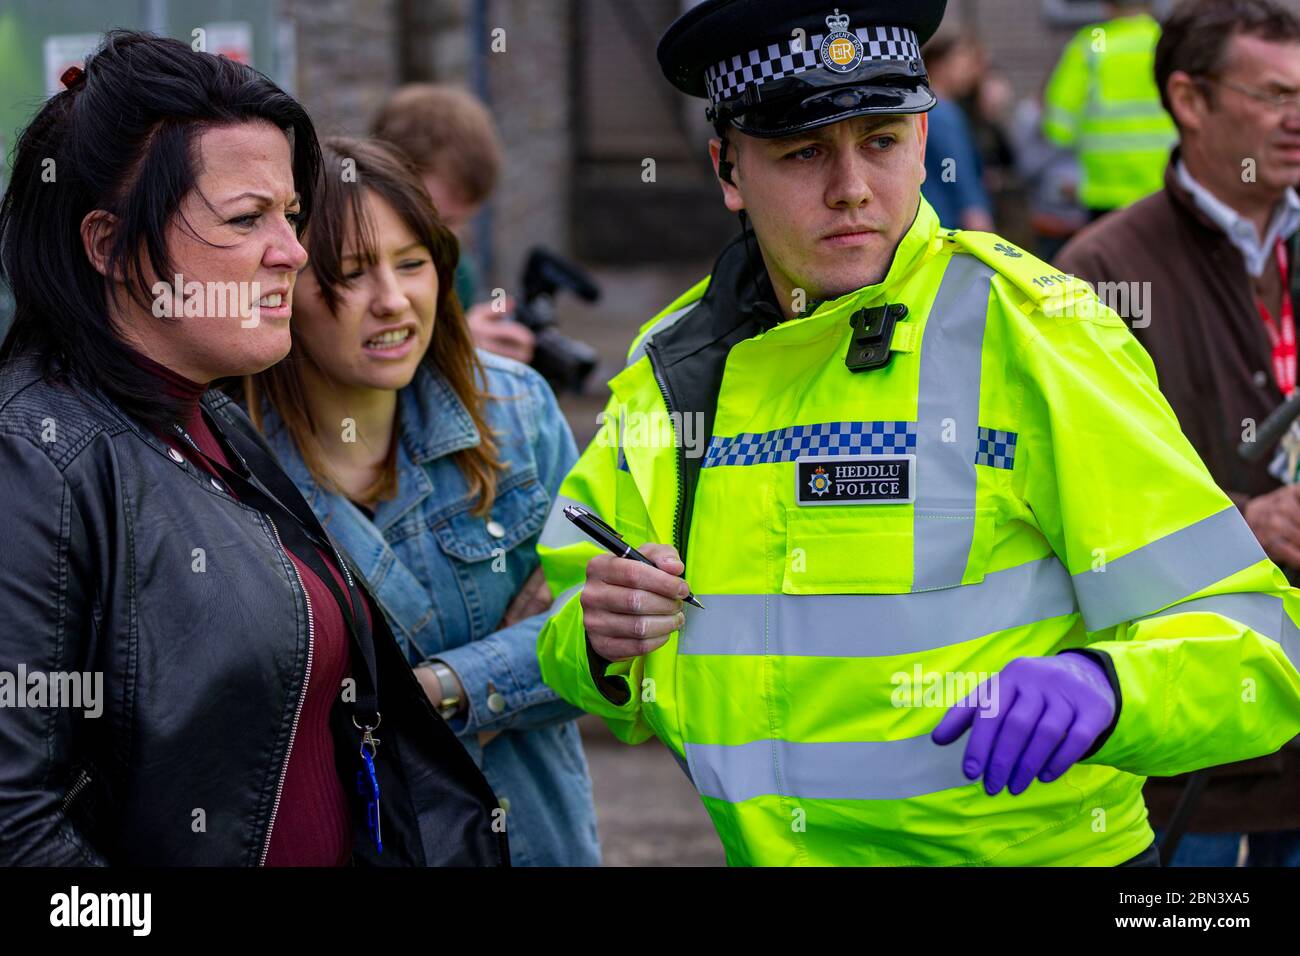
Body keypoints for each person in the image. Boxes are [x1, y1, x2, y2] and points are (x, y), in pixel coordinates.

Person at [533, 0, 1300, 866]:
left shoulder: (1039, 333)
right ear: (728, 167)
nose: (853, 186)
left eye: (884, 141)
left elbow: (1257, 649)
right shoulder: (672, 368)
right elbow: (567, 627)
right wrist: (599, 641)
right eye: (803, 151)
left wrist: (1111, 688)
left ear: (926, 138)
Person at [0, 31, 506, 866]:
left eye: (293, 215)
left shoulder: (209, 416)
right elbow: (19, 832)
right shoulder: (35, 459)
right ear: (109, 245)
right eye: (247, 219)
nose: (294, 253)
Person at [243, 137, 601, 866]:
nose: (392, 300)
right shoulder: (238, 473)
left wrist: (434, 689)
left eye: (412, 264)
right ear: (284, 290)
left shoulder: (515, 409)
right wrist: (515, 658)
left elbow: (603, 640)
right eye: (348, 273)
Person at [1057, 0, 1300, 867]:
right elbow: (1068, 507)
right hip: (1187, 756)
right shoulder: (1099, 273)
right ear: (1190, 101)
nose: (1298, 118)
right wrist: (1243, 521)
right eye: (1273, 94)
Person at [371, 83, 536, 364]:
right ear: (382, 178)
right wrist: (456, 344)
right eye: (438, 219)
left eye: (460, 222)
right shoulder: (348, 266)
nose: (448, 238)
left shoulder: (460, 273)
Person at [1043, 0, 1177, 219]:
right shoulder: (1167, 42)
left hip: (1105, 193)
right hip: (1163, 188)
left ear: (1108, 6)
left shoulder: (1093, 45)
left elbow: (1059, 129)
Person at [920, 32, 995, 231]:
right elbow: (951, 164)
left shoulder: (931, 106)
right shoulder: (940, 110)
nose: (971, 69)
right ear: (938, 63)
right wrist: (971, 205)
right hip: (948, 218)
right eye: (963, 58)